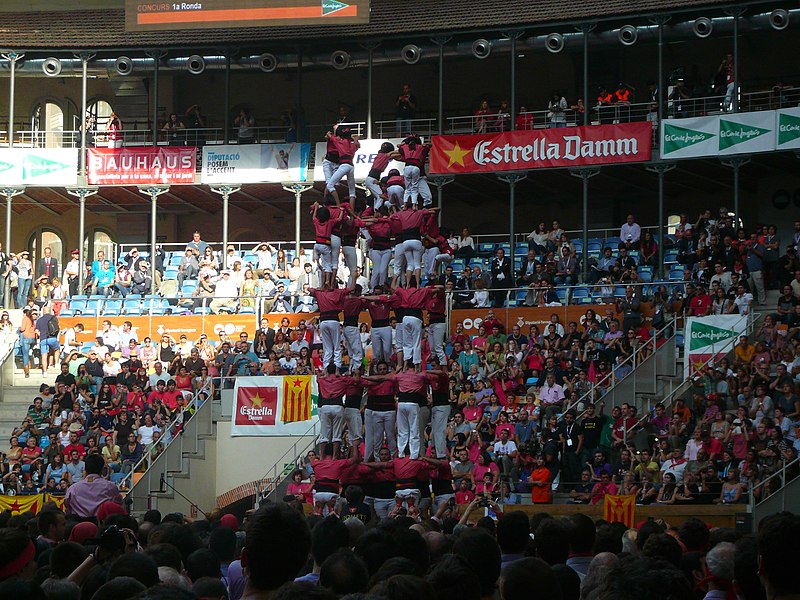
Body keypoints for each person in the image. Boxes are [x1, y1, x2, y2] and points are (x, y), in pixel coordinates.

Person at [64, 453, 123, 518]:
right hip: (101, 524)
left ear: (85, 470)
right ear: (102, 469)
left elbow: (67, 504)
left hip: (80, 523)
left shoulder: (73, 488)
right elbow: (119, 503)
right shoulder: (111, 487)